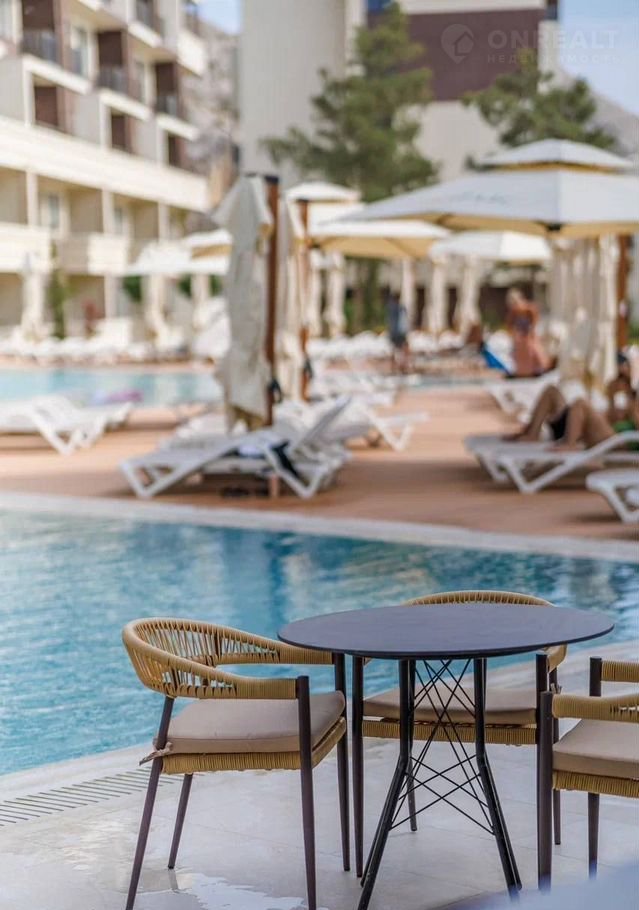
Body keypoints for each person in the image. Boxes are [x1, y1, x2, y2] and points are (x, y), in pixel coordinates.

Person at [511, 369, 639, 449]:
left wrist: (633, 410)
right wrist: (612, 397)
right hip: (603, 437)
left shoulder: (632, 410)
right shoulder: (622, 408)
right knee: (551, 391)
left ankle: (570, 444)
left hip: (619, 445)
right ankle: (531, 433)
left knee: (580, 404)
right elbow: (610, 418)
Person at [505, 287, 551, 378]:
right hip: (520, 335)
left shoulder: (529, 308)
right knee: (520, 351)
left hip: (529, 334)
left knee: (534, 350)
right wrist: (515, 334)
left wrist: (530, 331)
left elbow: (534, 320)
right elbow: (510, 324)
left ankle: (536, 369)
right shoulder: (513, 312)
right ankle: (523, 371)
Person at [385, 288, 409, 373]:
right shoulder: (401, 308)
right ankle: (403, 366)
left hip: (393, 332)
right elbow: (404, 321)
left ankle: (394, 367)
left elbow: (388, 321)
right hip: (400, 332)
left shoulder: (390, 308)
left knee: (394, 349)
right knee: (404, 349)